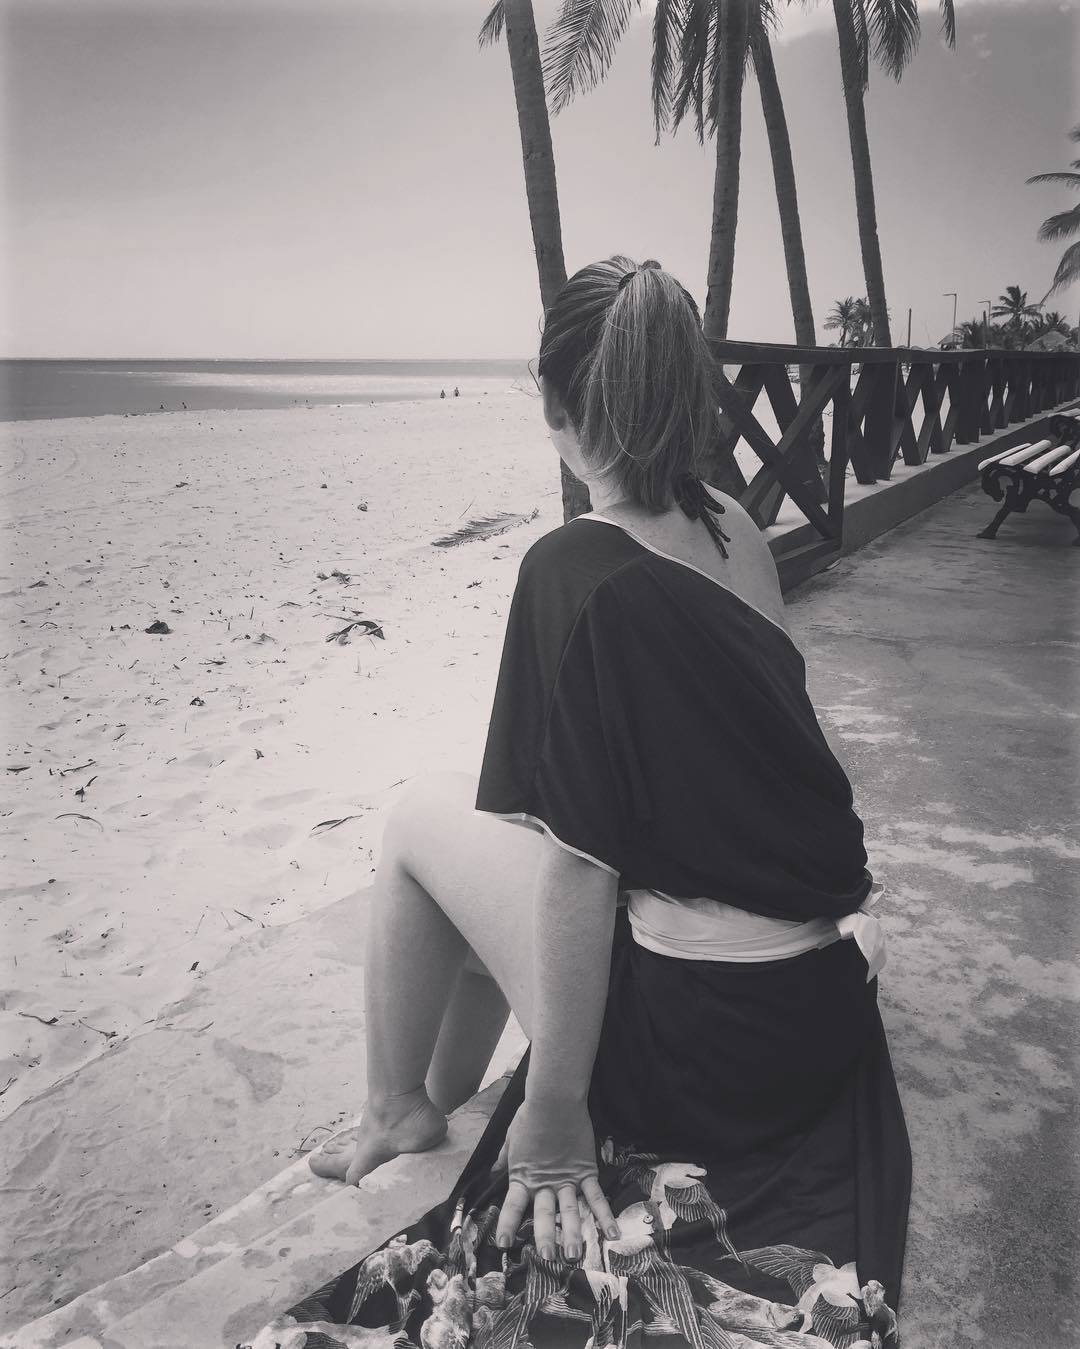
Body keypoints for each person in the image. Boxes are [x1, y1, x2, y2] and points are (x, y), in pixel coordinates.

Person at [286, 257, 910, 1349]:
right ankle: (428, 1099)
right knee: (488, 859)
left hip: (699, 1040)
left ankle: (399, 1107)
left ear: (557, 409)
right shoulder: (734, 523)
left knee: (420, 818)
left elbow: (577, 867)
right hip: (812, 1007)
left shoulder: (571, 567)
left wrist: (557, 1115)